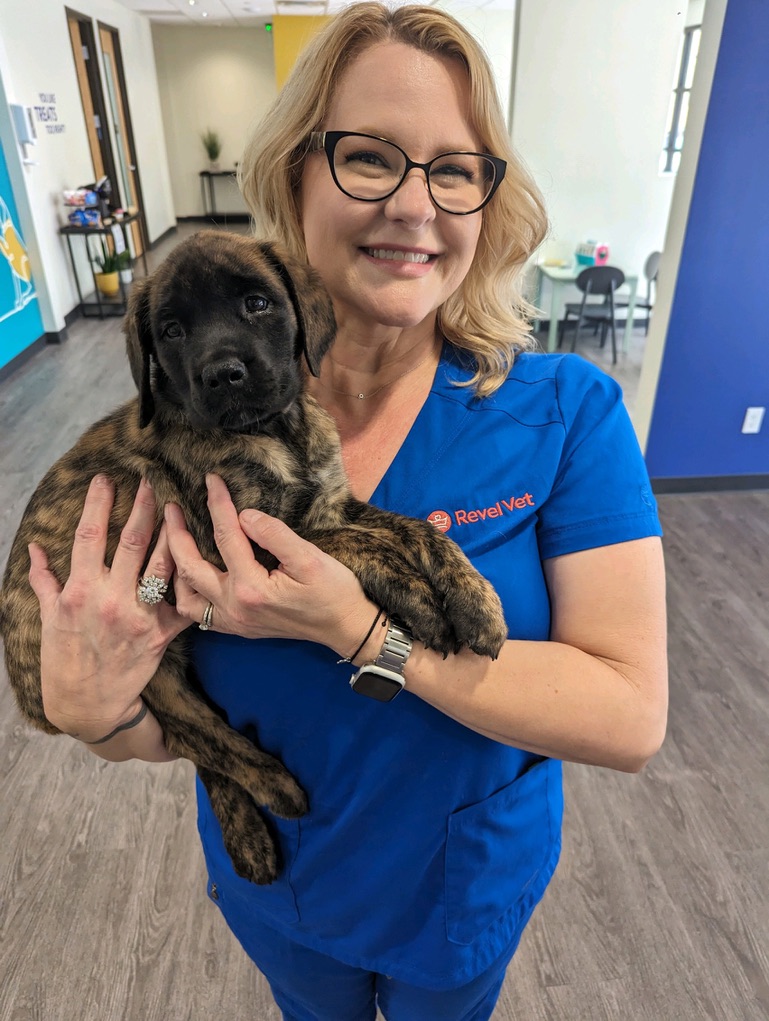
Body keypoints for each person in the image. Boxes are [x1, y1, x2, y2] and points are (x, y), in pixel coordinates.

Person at [28, 4, 668, 1019]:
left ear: (485, 200)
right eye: (369, 157)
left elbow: (630, 717)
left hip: (461, 890)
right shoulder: (181, 447)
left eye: (455, 169)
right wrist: (87, 713)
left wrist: (362, 631)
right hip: (282, 882)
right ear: (294, 174)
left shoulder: (565, 413)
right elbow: (155, 720)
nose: (416, 206)